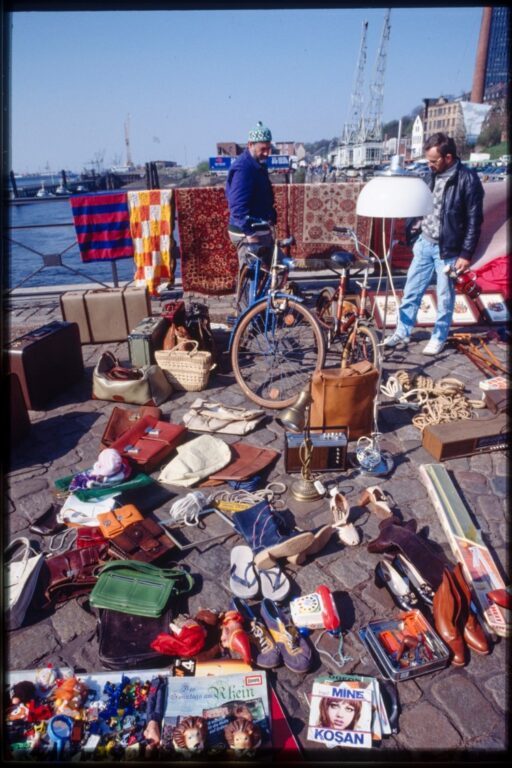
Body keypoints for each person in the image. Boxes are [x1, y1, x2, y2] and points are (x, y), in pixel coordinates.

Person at [384, 132, 484, 355]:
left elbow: (474, 220)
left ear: (448, 157)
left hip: (448, 251)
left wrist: (466, 254)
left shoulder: (467, 179)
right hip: (424, 244)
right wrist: (414, 233)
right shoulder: (429, 175)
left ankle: (438, 336)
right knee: (411, 290)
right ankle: (402, 329)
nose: (429, 164)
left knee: (445, 296)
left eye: (433, 160)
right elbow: (419, 203)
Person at [225, 121, 277, 271]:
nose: (267, 153)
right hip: (247, 231)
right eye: (263, 149)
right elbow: (237, 207)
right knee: (251, 275)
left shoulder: (257, 163)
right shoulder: (244, 168)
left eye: (269, 148)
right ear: (250, 145)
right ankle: (247, 295)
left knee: (273, 270)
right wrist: (250, 234)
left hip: (259, 227)